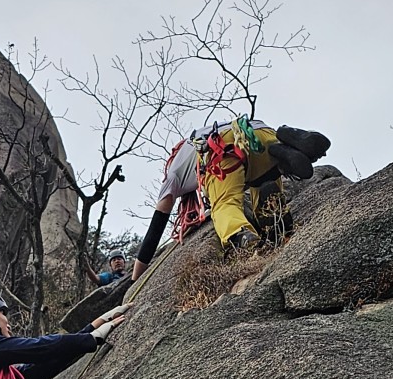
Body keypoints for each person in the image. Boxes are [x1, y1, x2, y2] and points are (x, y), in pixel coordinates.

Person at [131, 119, 331, 281]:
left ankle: (242, 236)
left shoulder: (173, 173)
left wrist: (135, 280)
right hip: (257, 132)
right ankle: (275, 207)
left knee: (224, 203)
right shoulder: (202, 131)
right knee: (262, 181)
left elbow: (156, 228)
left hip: (220, 147)